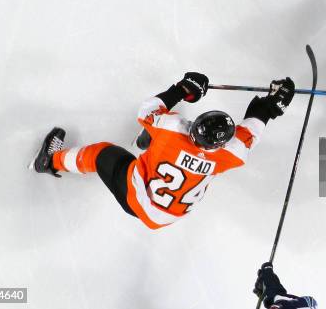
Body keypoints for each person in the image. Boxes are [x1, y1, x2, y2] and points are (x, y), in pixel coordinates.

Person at [28, 73, 295, 229]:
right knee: (154, 138)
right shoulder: (232, 153)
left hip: (141, 197)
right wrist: (274, 103)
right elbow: (254, 126)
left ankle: (48, 161)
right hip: (171, 213)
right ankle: (147, 141)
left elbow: (147, 110)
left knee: (103, 153)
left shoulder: (174, 129)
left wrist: (182, 89)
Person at [253, 262, 317, 309]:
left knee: (270, 294)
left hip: (274, 298)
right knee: (272, 291)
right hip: (278, 297)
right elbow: (311, 301)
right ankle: (264, 278)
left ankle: (262, 287)